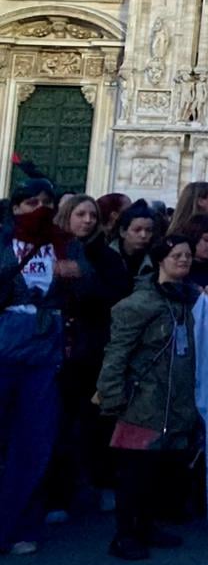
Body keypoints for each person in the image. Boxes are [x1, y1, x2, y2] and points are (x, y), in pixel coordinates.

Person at [97, 235, 204, 561]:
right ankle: (125, 534)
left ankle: (145, 525)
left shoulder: (189, 300)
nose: (183, 260)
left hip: (174, 401)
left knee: (157, 470)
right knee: (135, 471)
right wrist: (112, 395)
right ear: (160, 260)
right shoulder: (139, 304)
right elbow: (117, 353)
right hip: (142, 400)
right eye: (176, 255)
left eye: (187, 255)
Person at [0, 177, 90, 556]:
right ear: (16, 207)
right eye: (31, 202)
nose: (39, 209)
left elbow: (89, 286)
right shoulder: (4, 240)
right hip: (6, 343)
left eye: (46, 202)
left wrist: (77, 274)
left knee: (34, 439)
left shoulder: (65, 244)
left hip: (45, 349)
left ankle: (17, 524)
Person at [45, 194, 127, 523]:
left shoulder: (105, 256)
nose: (88, 220)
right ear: (67, 216)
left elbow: (117, 296)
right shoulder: (48, 251)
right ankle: (57, 495)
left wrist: (84, 278)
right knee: (58, 424)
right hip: (54, 348)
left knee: (97, 422)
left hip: (91, 349)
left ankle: (101, 482)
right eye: (80, 214)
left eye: (92, 214)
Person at [110, 202, 160, 279]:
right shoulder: (105, 258)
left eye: (148, 230)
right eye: (137, 230)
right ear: (122, 231)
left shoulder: (156, 261)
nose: (143, 235)